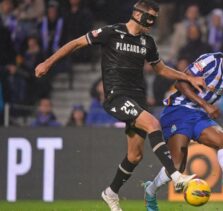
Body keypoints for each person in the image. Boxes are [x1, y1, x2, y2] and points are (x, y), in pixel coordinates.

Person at [34, 1, 205, 211]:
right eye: (149, 16)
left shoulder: (147, 42)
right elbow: (76, 43)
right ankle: (177, 176)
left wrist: (186, 77)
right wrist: (48, 63)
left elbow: (160, 69)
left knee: (135, 156)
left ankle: (111, 192)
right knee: (153, 123)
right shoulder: (111, 32)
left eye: (154, 17)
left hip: (138, 98)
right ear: (136, 14)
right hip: (116, 96)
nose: (151, 21)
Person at [143, 40, 223, 211]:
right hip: (178, 110)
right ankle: (150, 191)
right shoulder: (210, 61)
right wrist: (205, 105)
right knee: (177, 166)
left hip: (200, 116)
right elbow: (180, 82)